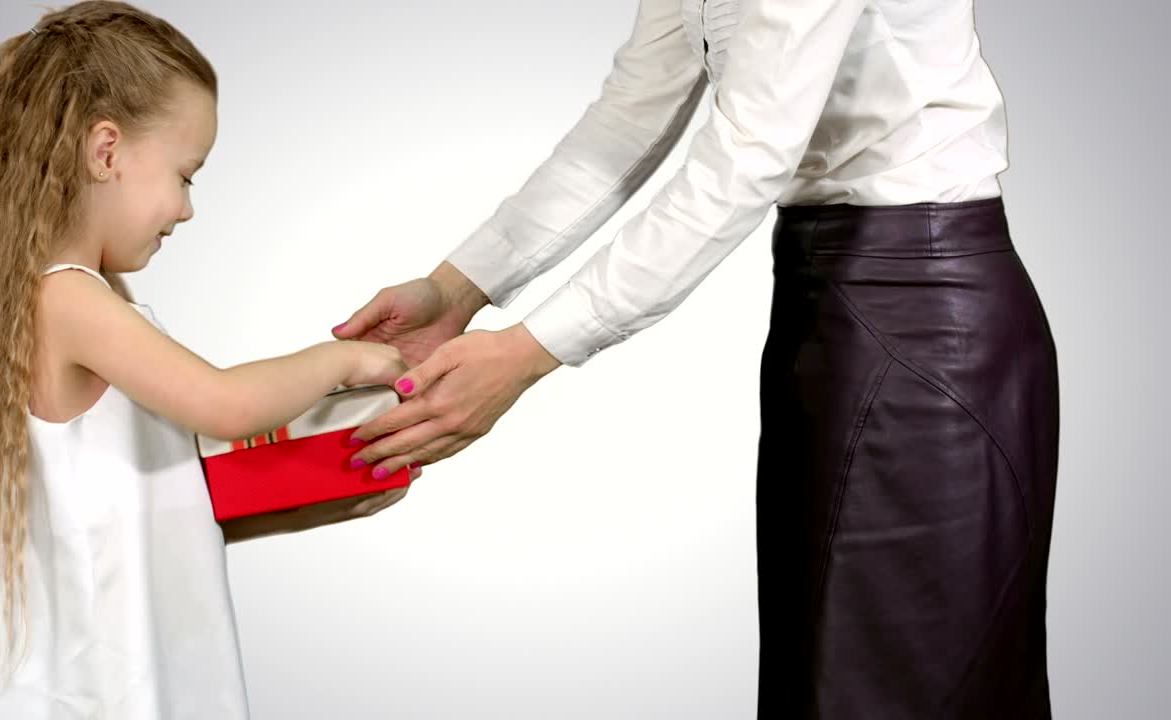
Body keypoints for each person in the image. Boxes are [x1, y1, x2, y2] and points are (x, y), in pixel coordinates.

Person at [334, 0, 1060, 716]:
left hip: (925, 325)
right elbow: (630, 114)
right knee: (822, 679)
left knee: (884, 688)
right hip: (824, 300)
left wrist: (527, 352)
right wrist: (459, 289)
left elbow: (748, 157)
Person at [0, 3, 411, 717]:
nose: (186, 208)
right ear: (105, 151)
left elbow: (145, 508)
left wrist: (308, 505)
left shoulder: (60, 307)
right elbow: (225, 404)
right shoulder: (69, 303)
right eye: (186, 174)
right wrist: (345, 360)